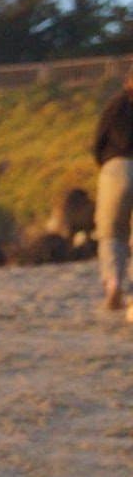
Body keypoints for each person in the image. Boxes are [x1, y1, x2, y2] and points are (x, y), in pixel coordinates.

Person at [91, 70, 133, 313]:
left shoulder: (116, 105)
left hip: (115, 168)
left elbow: (98, 141)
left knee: (110, 233)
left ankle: (113, 283)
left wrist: (105, 165)